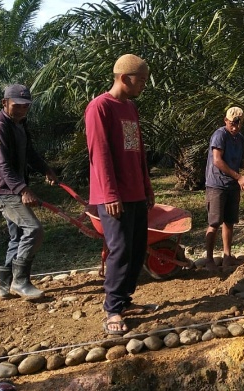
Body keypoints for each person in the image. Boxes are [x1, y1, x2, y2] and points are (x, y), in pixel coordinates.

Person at [85, 54, 156, 336]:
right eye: (141, 81)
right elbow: (99, 155)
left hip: (135, 192)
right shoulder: (99, 108)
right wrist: (110, 194)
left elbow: (137, 151)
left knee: (137, 248)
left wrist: (147, 186)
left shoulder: (130, 108)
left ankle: (125, 300)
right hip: (113, 195)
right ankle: (112, 309)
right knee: (120, 250)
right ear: (125, 78)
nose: (144, 86)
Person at [0, 84, 58, 300]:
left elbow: (30, 153)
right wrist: (23, 189)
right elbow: (2, 165)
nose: (23, 109)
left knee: (17, 235)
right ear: (4, 103)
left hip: (12, 186)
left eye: (26, 106)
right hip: (2, 189)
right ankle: (20, 281)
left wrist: (46, 169)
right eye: (18, 105)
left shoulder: (20, 124)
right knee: (34, 229)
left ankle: (5, 286)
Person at [204, 107, 244, 270]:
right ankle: (209, 260)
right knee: (214, 222)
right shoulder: (220, 135)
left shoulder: (239, 138)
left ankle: (227, 257)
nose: (234, 127)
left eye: (237, 124)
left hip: (231, 185)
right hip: (217, 184)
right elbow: (217, 161)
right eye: (231, 124)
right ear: (225, 121)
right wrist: (239, 177)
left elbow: (237, 160)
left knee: (229, 221)